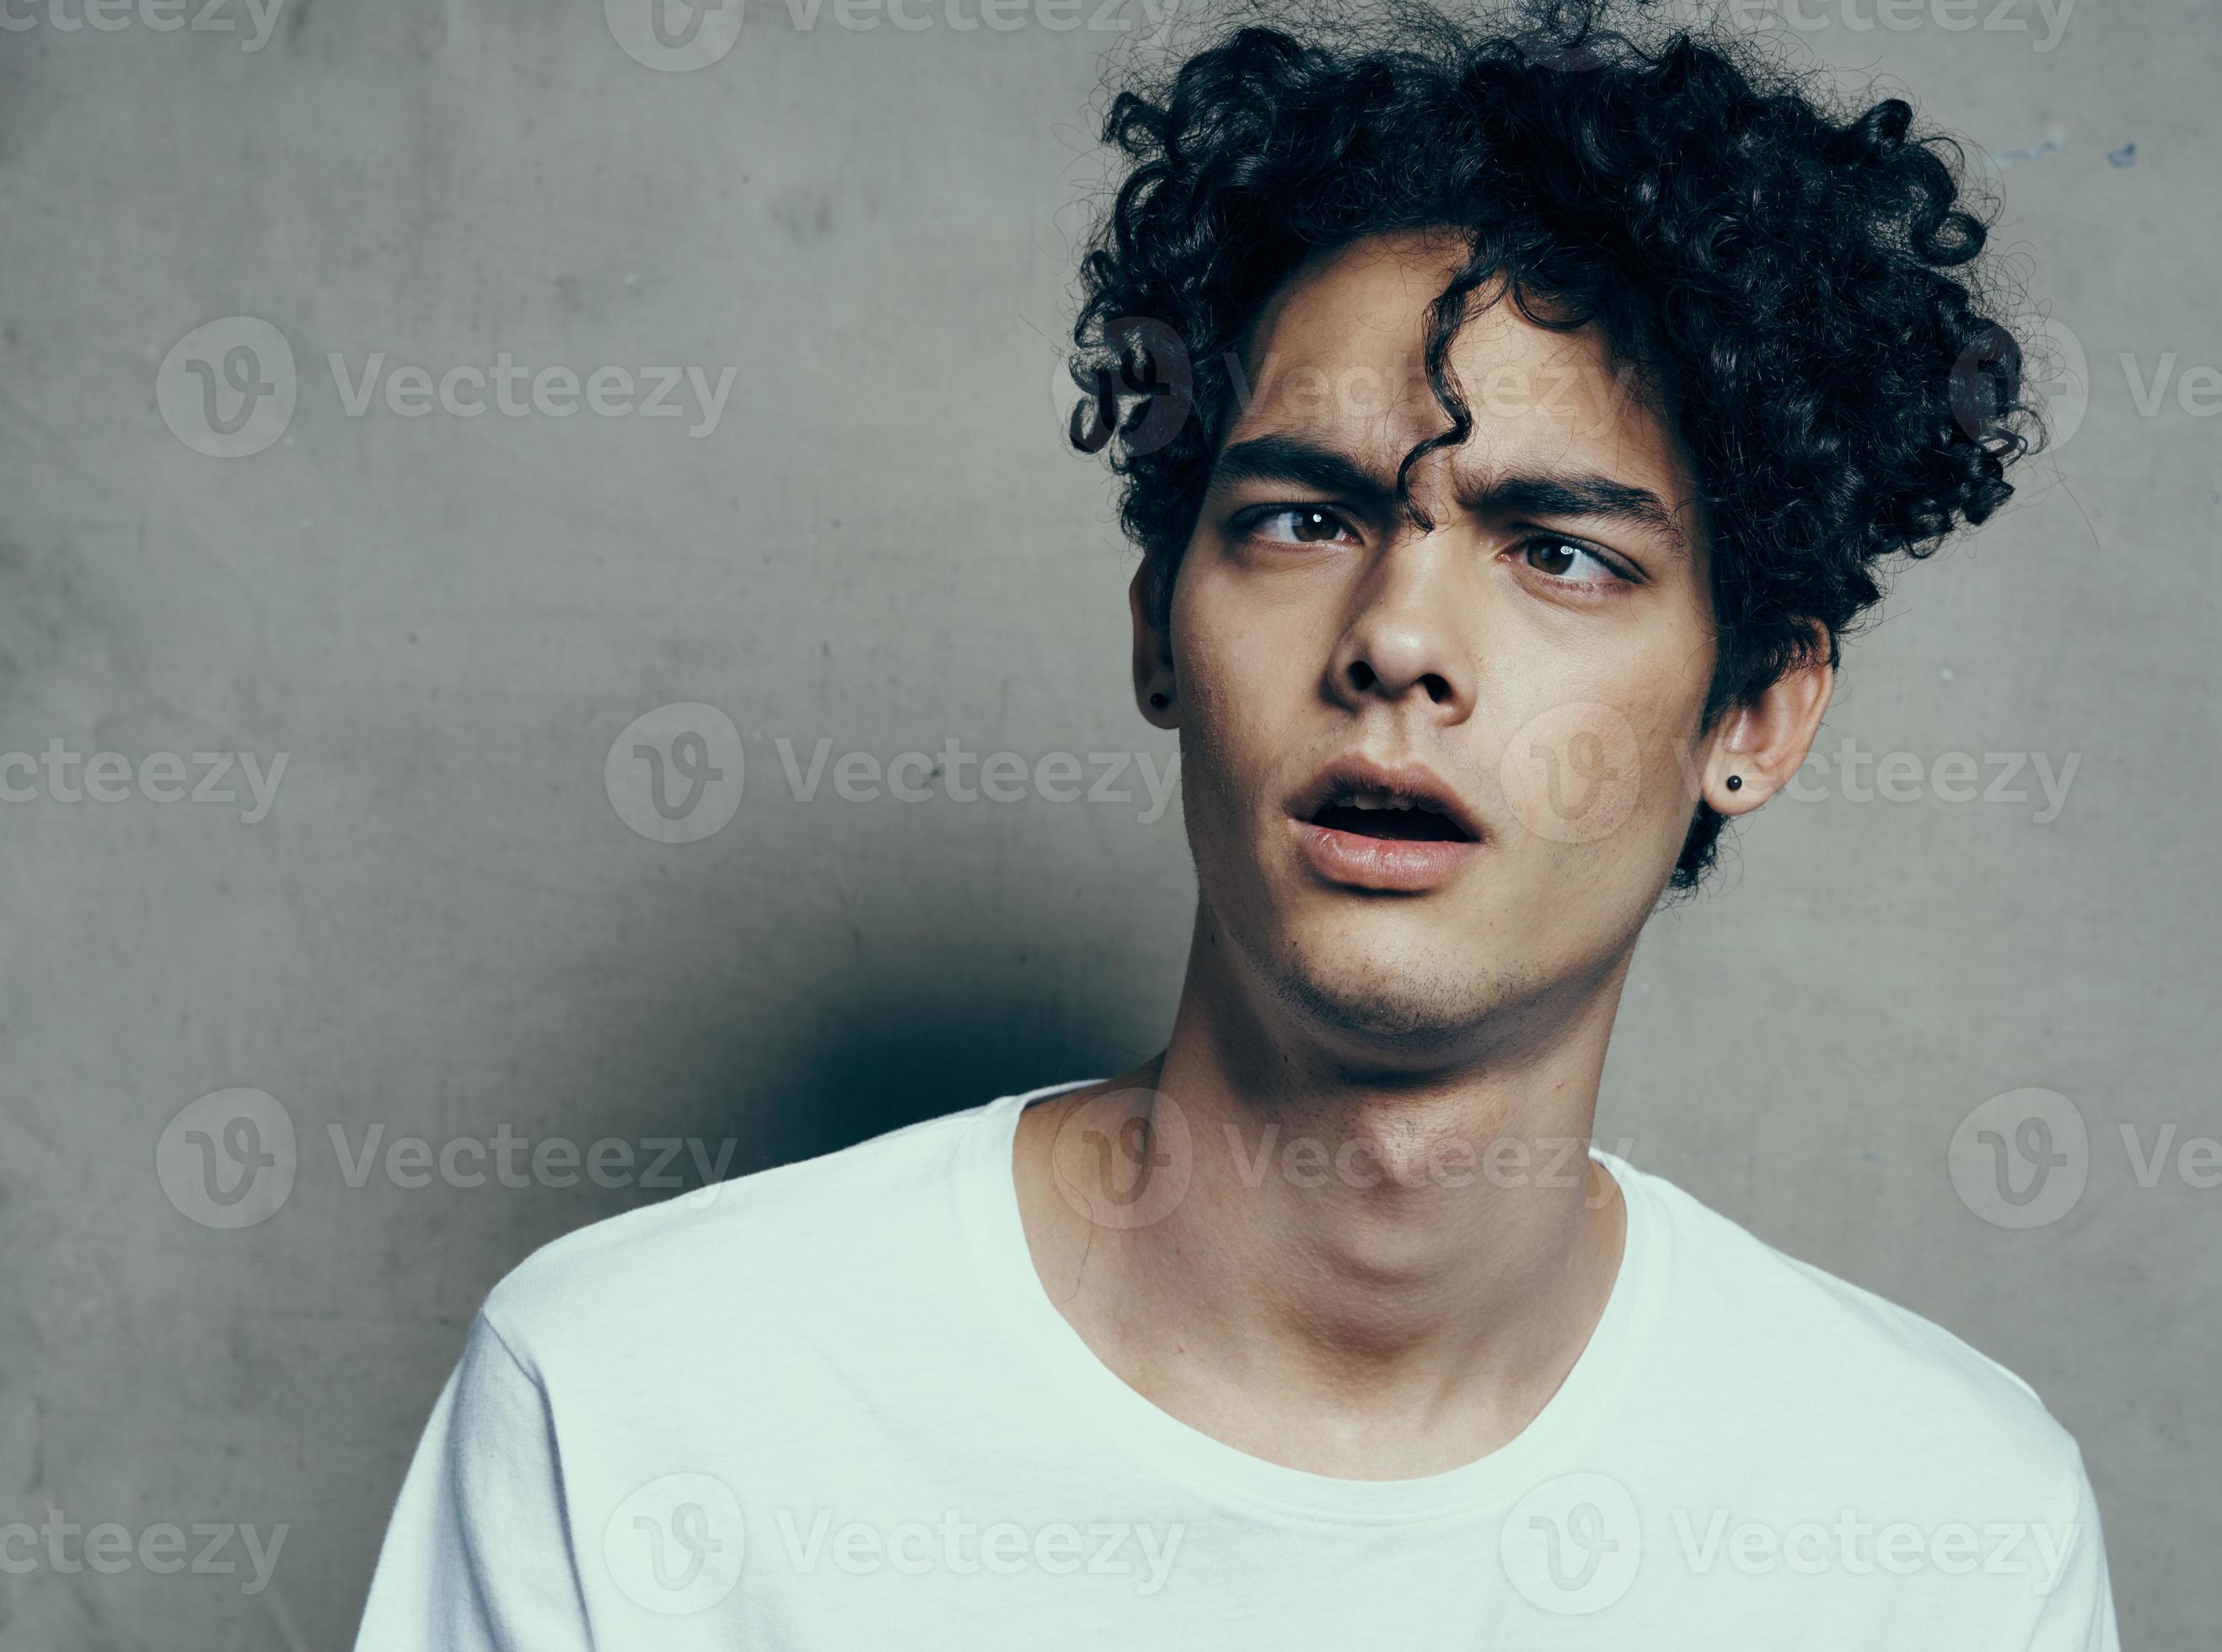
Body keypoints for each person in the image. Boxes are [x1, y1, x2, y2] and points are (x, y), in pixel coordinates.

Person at [352, 3, 2119, 1644]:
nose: (1401, 642)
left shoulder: (1942, 1525)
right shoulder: (637, 1401)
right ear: (1155, 630)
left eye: (1563, 552)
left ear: (1754, 712)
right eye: (1301, 518)